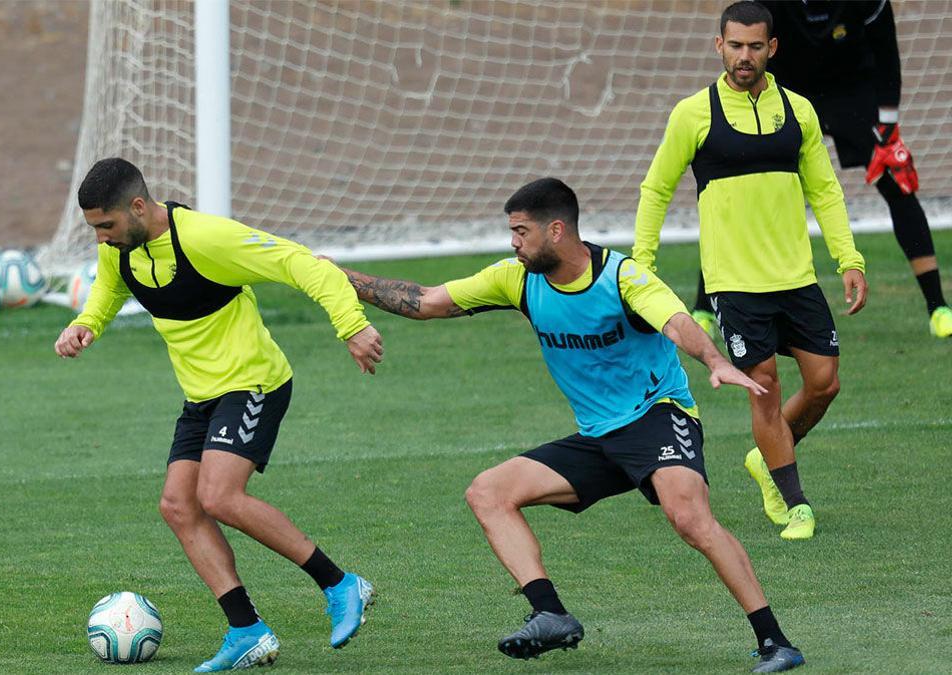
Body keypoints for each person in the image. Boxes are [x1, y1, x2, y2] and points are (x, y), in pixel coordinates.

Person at [339, 177, 804, 672]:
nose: (513, 242)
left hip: (656, 416)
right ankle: (550, 613)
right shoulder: (516, 278)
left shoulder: (622, 277)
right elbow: (427, 301)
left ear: (556, 231)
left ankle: (775, 641)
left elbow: (675, 322)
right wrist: (338, 278)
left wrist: (713, 359)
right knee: (488, 493)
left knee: (688, 517)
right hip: (599, 437)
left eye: (521, 232)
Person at [54, 158, 382, 672]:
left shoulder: (207, 239)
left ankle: (342, 586)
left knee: (219, 495)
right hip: (201, 396)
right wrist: (87, 323)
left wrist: (352, 326)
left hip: (253, 382)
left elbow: (304, 264)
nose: (100, 238)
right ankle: (247, 630)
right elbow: (111, 287)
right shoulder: (123, 249)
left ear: (138, 207)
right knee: (179, 506)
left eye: (106, 226)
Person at [633, 1, 868, 541]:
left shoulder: (799, 111)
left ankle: (768, 455)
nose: (745, 56)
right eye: (735, 45)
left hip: (796, 276)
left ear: (772, 48)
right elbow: (656, 190)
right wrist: (642, 267)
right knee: (762, 386)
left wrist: (848, 259)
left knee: (825, 383)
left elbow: (825, 191)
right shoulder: (693, 113)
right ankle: (796, 501)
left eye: (755, 46)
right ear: (719, 46)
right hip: (734, 283)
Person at [689, 0, 951, 340]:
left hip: (851, 92)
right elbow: (749, 47)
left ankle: (938, 308)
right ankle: (702, 307)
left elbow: (886, 51)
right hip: (785, 93)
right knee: (742, 187)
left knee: (898, 183)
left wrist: (888, 126)